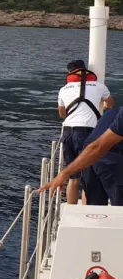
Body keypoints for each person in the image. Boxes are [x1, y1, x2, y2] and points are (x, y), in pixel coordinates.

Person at [57, 58, 113, 204]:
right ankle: (85, 210)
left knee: (73, 177)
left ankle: (71, 210)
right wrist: (101, 106)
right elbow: (110, 104)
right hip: (87, 133)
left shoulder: (64, 89)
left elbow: (62, 114)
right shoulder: (99, 86)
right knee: (88, 177)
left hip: (68, 132)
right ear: (85, 70)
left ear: (70, 73)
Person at [43, 105, 123, 200]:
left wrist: (64, 173)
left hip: (87, 153)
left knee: (92, 202)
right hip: (108, 156)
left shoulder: (110, 113)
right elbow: (99, 146)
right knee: (118, 205)